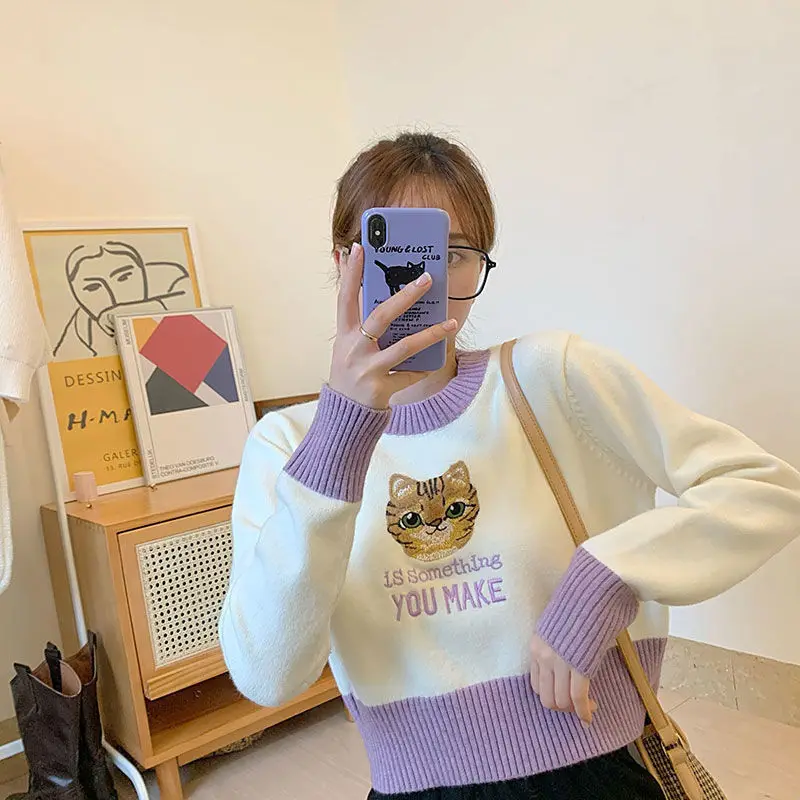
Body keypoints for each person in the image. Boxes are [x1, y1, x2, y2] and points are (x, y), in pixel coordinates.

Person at [219, 132, 800, 799]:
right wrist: (343, 433)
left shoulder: (550, 377)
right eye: (399, 250)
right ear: (345, 262)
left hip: (596, 771)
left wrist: (611, 575)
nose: (426, 279)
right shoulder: (287, 445)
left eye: (454, 254)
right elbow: (268, 675)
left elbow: (764, 487)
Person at [54, 240, 191, 360]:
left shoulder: (174, 279)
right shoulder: (81, 328)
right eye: (93, 287)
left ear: (143, 271)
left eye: (124, 278)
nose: (113, 297)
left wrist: (131, 314)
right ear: (76, 293)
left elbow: (191, 309)